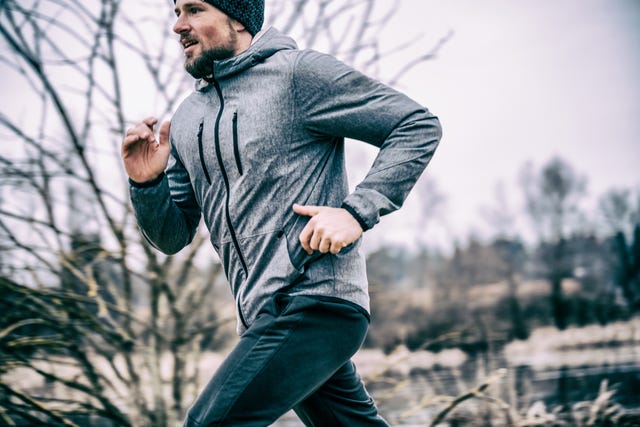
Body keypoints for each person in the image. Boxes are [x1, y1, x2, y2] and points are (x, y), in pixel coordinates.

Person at [122, 0, 441, 425]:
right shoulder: (186, 119)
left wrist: (354, 213)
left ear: (238, 17)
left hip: (316, 301)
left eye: (194, 10)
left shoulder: (297, 75)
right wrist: (146, 184)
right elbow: (172, 234)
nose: (179, 26)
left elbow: (415, 126)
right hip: (262, 315)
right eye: (176, 12)